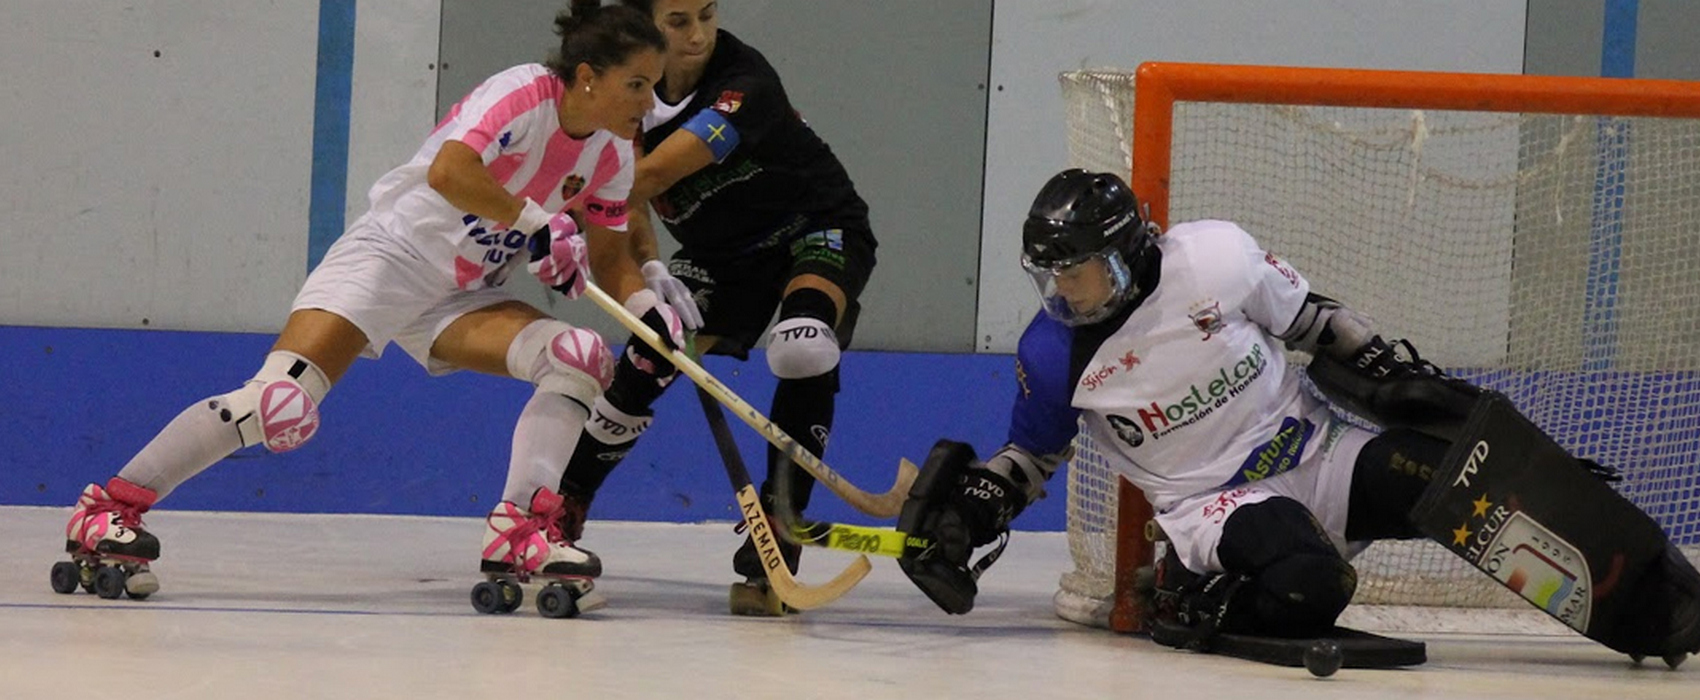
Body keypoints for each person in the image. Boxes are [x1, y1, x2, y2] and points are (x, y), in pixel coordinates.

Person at [893, 168, 1700, 662]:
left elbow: (1316, 323)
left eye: (1083, 273)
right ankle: (1189, 591)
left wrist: (1391, 370)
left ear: (1132, 250)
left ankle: (1666, 611)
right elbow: (1030, 458)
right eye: (1053, 277)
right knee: (1312, 582)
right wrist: (980, 502)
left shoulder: (1214, 258)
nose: (1067, 293)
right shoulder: (1052, 353)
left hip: (1321, 451)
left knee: (1475, 484)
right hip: (1215, 503)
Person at [52, 1, 679, 603]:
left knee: (579, 354)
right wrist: (536, 221)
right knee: (280, 404)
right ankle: (107, 509)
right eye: (637, 84)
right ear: (589, 78)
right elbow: (450, 171)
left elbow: (610, 256)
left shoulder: (611, 156)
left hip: (464, 294)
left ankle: (519, 533)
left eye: (655, 85)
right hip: (389, 259)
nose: (648, 103)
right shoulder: (524, 94)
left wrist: (647, 305)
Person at [548, 0, 879, 613]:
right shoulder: (631, 95)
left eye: (706, 14)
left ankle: (780, 528)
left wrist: (552, 205)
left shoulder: (744, 82)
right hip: (723, 259)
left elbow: (640, 180)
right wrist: (649, 271)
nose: (698, 34)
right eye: (678, 21)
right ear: (649, 25)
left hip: (815, 227)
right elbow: (629, 201)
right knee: (650, 353)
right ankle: (561, 512)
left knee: (804, 346)